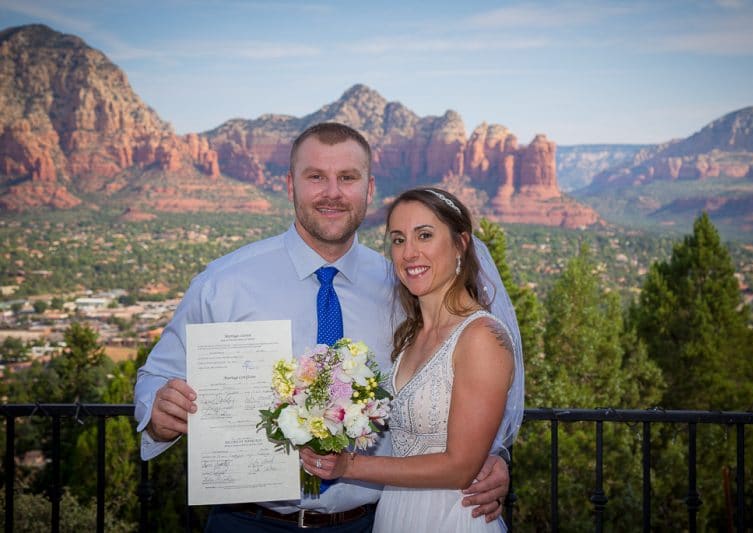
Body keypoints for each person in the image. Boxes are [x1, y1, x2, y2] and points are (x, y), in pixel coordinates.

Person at [133, 123, 516, 532]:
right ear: (290, 186)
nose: (332, 193)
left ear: (368, 190)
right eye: (316, 177)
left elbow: (457, 386)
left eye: (347, 178)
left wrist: (494, 456)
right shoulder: (223, 283)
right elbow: (157, 374)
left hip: (368, 523)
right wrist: (157, 411)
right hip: (246, 520)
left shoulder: (406, 287)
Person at [301, 188, 518, 532]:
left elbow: (460, 467)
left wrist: (347, 467)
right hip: (396, 512)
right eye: (398, 240)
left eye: (425, 236)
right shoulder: (411, 334)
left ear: (460, 244)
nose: (409, 253)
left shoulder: (481, 338)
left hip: (451, 516)